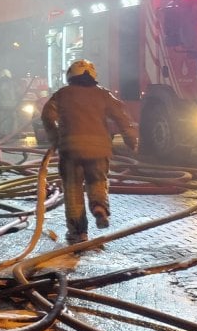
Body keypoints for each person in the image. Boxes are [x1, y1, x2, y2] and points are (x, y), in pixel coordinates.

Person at [41, 59, 138, 246]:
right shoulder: (103, 95)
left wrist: (54, 138)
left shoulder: (62, 94)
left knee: (73, 191)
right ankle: (100, 207)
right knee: (98, 181)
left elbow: (47, 115)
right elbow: (121, 115)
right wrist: (130, 139)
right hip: (99, 150)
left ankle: (78, 234)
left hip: (70, 150)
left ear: (70, 75)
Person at [0, 69, 19, 134]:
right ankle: (14, 133)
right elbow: (19, 92)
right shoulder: (13, 83)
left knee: (2, 120)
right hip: (12, 105)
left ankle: (4, 133)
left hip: (1, 105)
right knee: (14, 119)